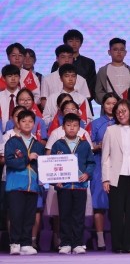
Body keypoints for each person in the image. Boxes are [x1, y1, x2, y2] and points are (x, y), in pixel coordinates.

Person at [102, 99, 130, 254]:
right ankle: (118, 245)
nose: (120, 114)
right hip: (116, 176)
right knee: (116, 212)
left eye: (123, 111)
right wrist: (105, 178)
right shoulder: (111, 130)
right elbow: (105, 157)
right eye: (118, 112)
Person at [50, 112, 95, 254]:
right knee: (64, 215)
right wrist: (55, 181)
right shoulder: (58, 144)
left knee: (78, 216)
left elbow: (91, 162)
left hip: (80, 186)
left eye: (75, 125)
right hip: (64, 187)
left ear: (79, 128)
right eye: (68, 125)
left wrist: (87, 174)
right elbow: (51, 165)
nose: (71, 128)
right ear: (63, 127)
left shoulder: (84, 144)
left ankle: (77, 243)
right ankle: (65, 243)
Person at [5, 109, 46, 255]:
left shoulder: (38, 144)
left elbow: (43, 166)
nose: (27, 124)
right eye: (24, 121)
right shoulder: (12, 142)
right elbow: (10, 162)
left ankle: (26, 243)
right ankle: (15, 243)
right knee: (16, 215)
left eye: (30, 121)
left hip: (33, 186)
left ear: (34, 124)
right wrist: (27, 158)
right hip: (16, 185)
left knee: (29, 216)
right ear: (18, 123)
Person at [90, 93, 119, 251]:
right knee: (99, 204)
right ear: (103, 105)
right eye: (108, 103)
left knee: (118, 204)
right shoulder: (96, 123)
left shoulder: (122, 122)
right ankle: (100, 239)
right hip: (99, 166)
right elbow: (89, 145)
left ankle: (118, 238)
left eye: (114, 103)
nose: (111, 106)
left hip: (119, 167)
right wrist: (98, 146)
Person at [95, 38, 130, 102]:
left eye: (122, 50)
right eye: (115, 49)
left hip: (128, 105)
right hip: (109, 106)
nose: (119, 52)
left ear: (125, 52)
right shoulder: (103, 71)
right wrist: (108, 101)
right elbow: (98, 92)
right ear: (109, 52)